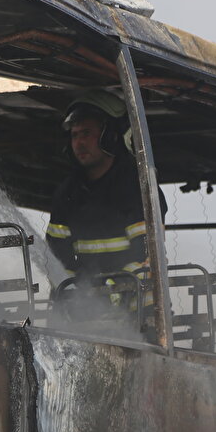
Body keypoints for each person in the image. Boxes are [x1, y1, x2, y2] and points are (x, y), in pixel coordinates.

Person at [45, 90, 166, 306]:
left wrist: (113, 289)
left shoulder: (137, 188)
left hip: (139, 317)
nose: (79, 143)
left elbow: (146, 256)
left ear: (110, 136)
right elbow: (57, 257)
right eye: (75, 135)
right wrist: (71, 294)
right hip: (88, 315)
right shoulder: (67, 194)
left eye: (87, 133)